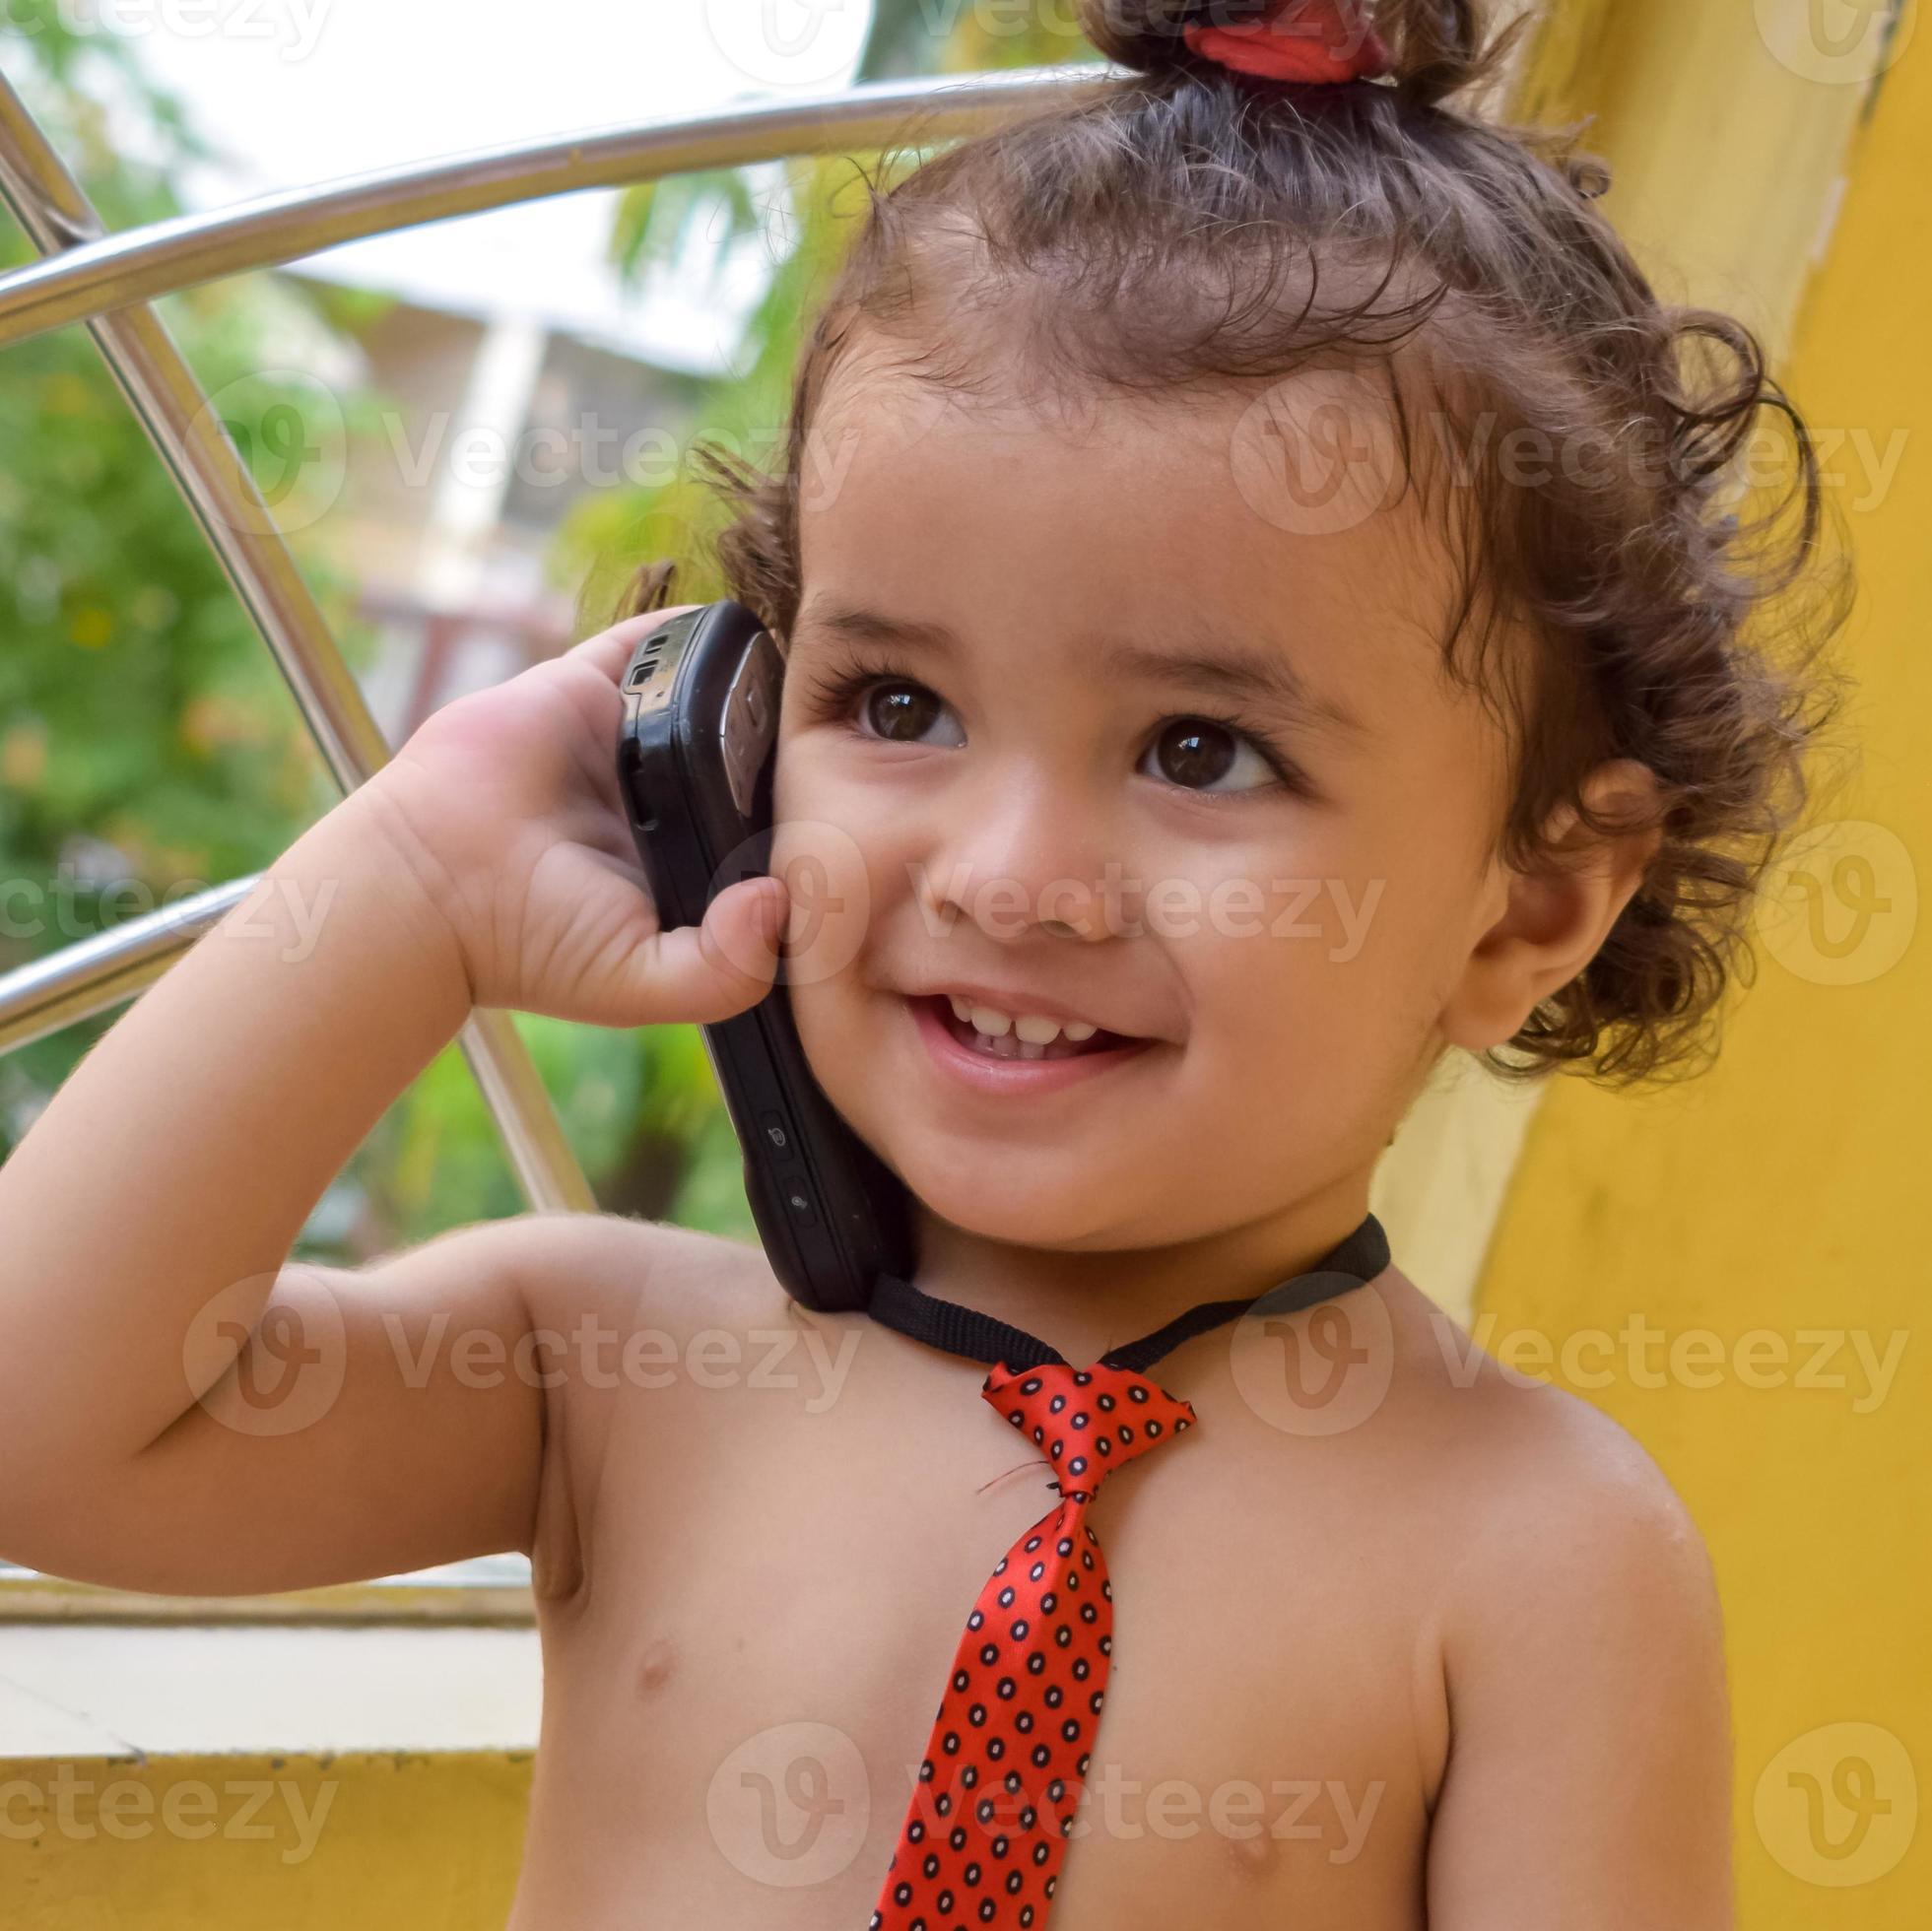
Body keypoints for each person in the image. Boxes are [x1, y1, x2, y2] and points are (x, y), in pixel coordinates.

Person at [0, 1, 1852, 1924]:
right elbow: (34, 1432)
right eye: (897, 700)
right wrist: (405, 876)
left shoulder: (1540, 1555)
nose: (1013, 873)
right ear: (735, 733)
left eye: (1200, 748)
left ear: (1531, 903)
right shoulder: (608, 1370)